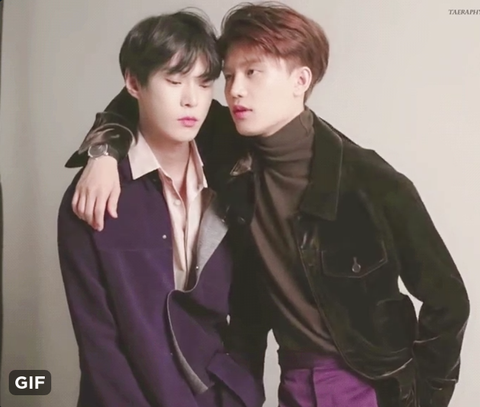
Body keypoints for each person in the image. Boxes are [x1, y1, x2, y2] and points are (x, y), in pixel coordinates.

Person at [65, 3, 470, 407]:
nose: (235, 91)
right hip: (293, 378)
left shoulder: (369, 182)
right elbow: (147, 91)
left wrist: (425, 399)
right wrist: (104, 152)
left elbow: (449, 301)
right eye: (228, 76)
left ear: (300, 80)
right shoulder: (230, 147)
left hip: (368, 383)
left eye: (253, 72)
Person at [57, 10, 264, 407]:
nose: (192, 99)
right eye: (173, 81)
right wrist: (103, 153)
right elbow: (98, 342)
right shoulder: (93, 195)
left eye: (204, 83)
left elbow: (250, 310)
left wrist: (239, 393)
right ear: (133, 83)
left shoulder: (232, 183)